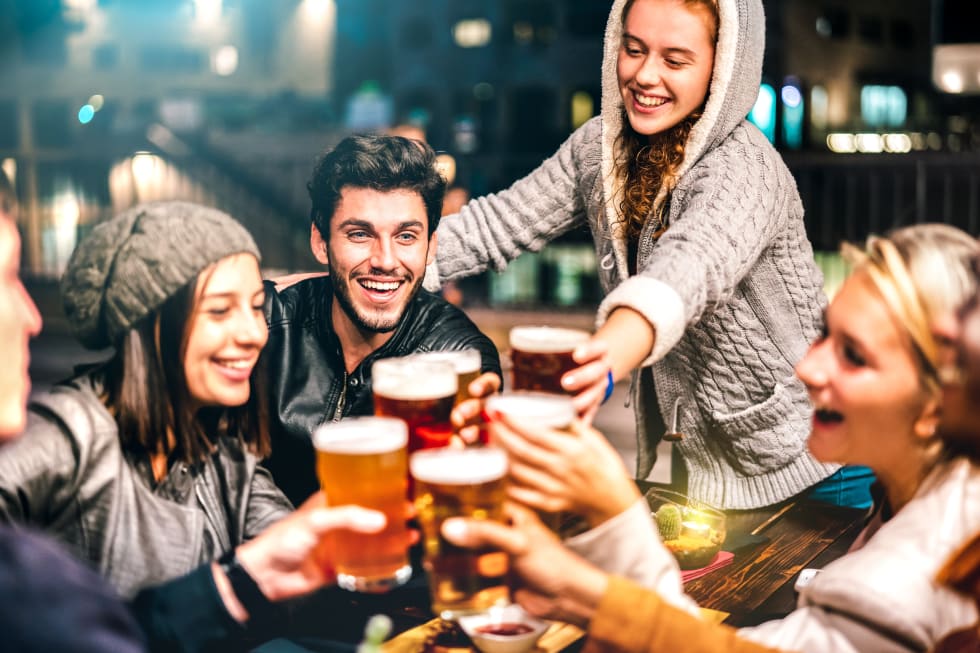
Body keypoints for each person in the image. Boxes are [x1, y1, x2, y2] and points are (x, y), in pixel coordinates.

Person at [445, 224, 980, 653]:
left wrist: (615, 513)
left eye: (854, 355)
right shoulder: (937, 499)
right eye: (824, 335)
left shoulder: (910, 577)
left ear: (938, 405)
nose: (806, 369)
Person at [426, 0, 847, 510]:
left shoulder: (744, 165)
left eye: (675, 60)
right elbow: (499, 223)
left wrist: (605, 361)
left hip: (820, 466)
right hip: (706, 468)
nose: (645, 75)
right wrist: (378, 265)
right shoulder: (600, 147)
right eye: (634, 49)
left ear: (724, 65)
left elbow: (688, 269)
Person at [0, 193, 396, 651]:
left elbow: (311, 583)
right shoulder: (71, 434)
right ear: (152, 325)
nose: (252, 334)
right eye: (219, 311)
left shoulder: (224, 456)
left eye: (253, 307)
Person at [262, 134, 501, 506]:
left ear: (431, 246)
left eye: (406, 236)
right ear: (320, 241)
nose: (385, 260)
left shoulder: (457, 357)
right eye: (360, 234)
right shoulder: (266, 326)